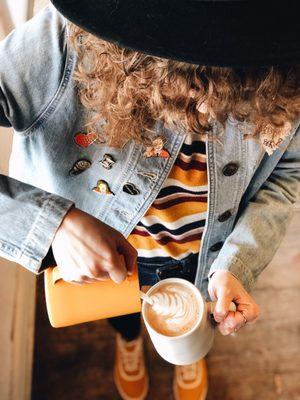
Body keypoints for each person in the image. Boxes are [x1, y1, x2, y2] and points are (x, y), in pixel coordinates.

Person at [0, 1, 299, 399]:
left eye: (239, 76)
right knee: (122, 317)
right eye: (193, 77)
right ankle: (128, 342)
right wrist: (53, 224)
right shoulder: (55, 49)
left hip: (202, 257)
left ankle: (188, 354)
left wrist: (238, 261)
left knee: (191, 321)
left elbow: (287, 172)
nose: (211, 110)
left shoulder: (288, 63)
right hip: (105, 262)